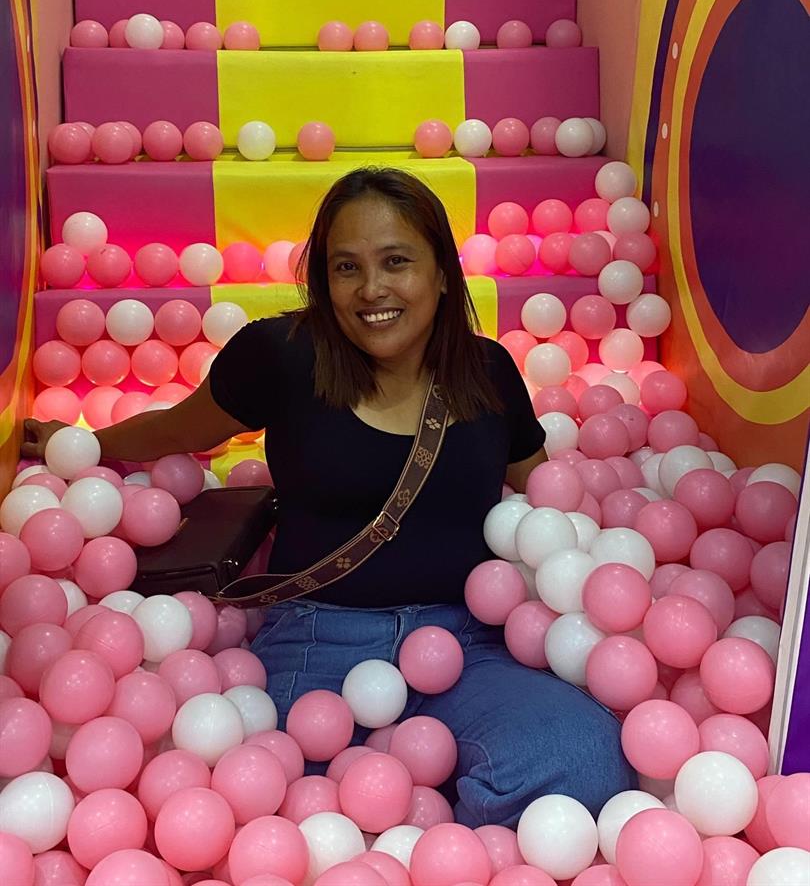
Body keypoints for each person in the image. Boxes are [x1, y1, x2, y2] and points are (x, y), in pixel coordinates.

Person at [24, 168, 635, 826]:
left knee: (582, 760)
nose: (371, 289)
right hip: (319, 641)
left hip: (467, 645)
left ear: (441, 272)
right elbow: (178, 430)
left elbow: (543, 511)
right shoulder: (281, 355)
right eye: (347, 267)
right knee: (277, 813)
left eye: (396, 261)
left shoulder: (487, 372)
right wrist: (79, 444)